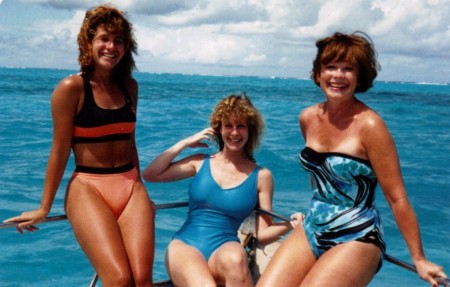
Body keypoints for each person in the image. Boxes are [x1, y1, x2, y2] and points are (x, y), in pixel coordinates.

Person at [256, 32, 447, 287]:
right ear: (318, 74)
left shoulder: (371, 126)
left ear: (359, 77)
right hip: (313, 226)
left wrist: (419, 258)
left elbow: (396, 197)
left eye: (348, 69)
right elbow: (319, 175)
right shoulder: (308, 117)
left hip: (357, 234)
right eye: (331, 67)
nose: (338, 75)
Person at [4, 5, 155, 287]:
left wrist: (142, 194)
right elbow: (60, 150)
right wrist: (43, 207)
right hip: (88, 186)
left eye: (119, 40)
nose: (111, 46)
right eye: (104, 39)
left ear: (127, 47)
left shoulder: (130, 87)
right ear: (89, 42)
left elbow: (130, 142)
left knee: (143, 279)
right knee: (119, 278)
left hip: (131, 185)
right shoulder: (70, 88)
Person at [142, 94, 301, 287]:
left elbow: (263, 233)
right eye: (229, 126)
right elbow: (151, 174)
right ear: (219, 129)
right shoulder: (200, 162)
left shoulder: (262, 176)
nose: (235, 133)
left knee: (236, 259)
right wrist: (185, 143)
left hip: (225, 249)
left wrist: (291, 223)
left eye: (241, 126)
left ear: (251, 130)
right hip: (186, 247)